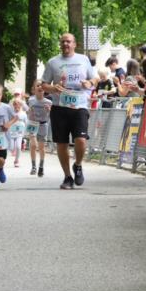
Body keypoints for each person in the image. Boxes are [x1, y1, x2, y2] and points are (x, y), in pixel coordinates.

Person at [42, 32, 97, 190]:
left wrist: (89, 83)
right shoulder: (53, 62)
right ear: (60, 44)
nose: (65, 44)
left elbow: (95, 79)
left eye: (68, 41)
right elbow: (44, 84)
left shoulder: (83, 60)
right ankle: (67, 177)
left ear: (75, 44)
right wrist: (52, 88)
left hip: (79, 105)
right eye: (63, 42)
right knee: (62, 143)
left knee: (81, 140)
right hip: (60, 107)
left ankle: (78, 165)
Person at [26, 80, 52, 177]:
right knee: (33, 145)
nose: (40, 87)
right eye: (38, 86)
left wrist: (49, 110)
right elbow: (28, 111)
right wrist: (29, 112)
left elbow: (50, 115)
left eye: (42, 86)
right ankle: (33, 166)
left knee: (41, 147)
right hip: (33, 124)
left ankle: (41, 166)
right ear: (34, 89)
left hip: (43, 124)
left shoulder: (49, 102)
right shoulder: (31, 100)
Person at [8, 97, 27, 167]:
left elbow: (26, 123)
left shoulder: (23, 114)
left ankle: (16, 160)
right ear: (13, 105)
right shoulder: (11, 113)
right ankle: (14, 151)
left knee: (18, 147)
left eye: (18, 104)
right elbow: (7, 122)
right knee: (11, 148)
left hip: (20, 133)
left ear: (21, 105)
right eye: (15, 104)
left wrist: (26, 133)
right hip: (11, 133)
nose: (17, 105)